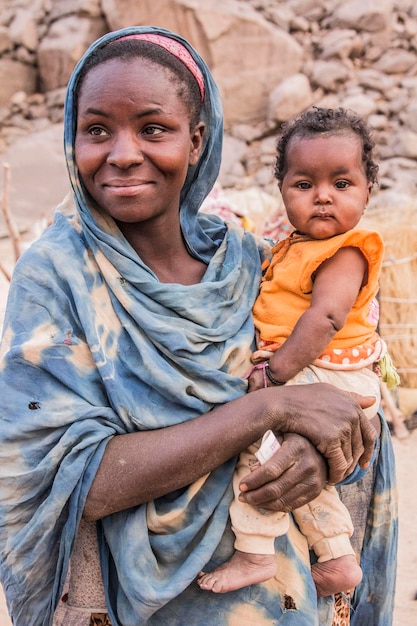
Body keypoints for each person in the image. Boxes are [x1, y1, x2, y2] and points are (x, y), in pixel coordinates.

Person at [0, 26, 396, 626]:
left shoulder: (247, 262)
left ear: (197, 139)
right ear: (71, 138)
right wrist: (267, 413)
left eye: (153, 129)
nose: (124, 152)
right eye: (97, 129)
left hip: (290, 598)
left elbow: (345, 397)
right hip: (136, 605)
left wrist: (320, 456)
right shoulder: (56, 277)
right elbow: (65, 477)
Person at [197, 107, 399, 601]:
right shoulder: (293, 246)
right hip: (317, 368)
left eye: (342, 184)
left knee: (255, 441)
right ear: (282, 189)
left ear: (369, 188)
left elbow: (325, 319)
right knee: (293, 459)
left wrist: (275, 373)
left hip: (328, 371)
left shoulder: (347, 250)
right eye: (304, 184)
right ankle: (336, 555)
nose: (323, 196)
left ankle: (255, 549)